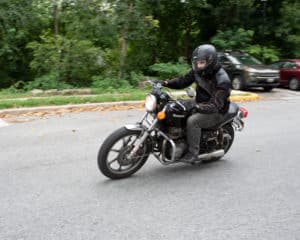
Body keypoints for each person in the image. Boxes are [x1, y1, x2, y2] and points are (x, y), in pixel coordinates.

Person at [160, 44, 232, 163]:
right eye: (197, 62)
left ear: (211, 61)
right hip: (201, 101)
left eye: (201, 62)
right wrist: (165, 83)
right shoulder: (199, 71)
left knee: (193, 121)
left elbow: (215, 105)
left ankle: (193, 153)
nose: (198, 65)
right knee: (175, 108)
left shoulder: (222, 80)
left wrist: (197, 106)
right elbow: (183, 81)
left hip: (217, 111)